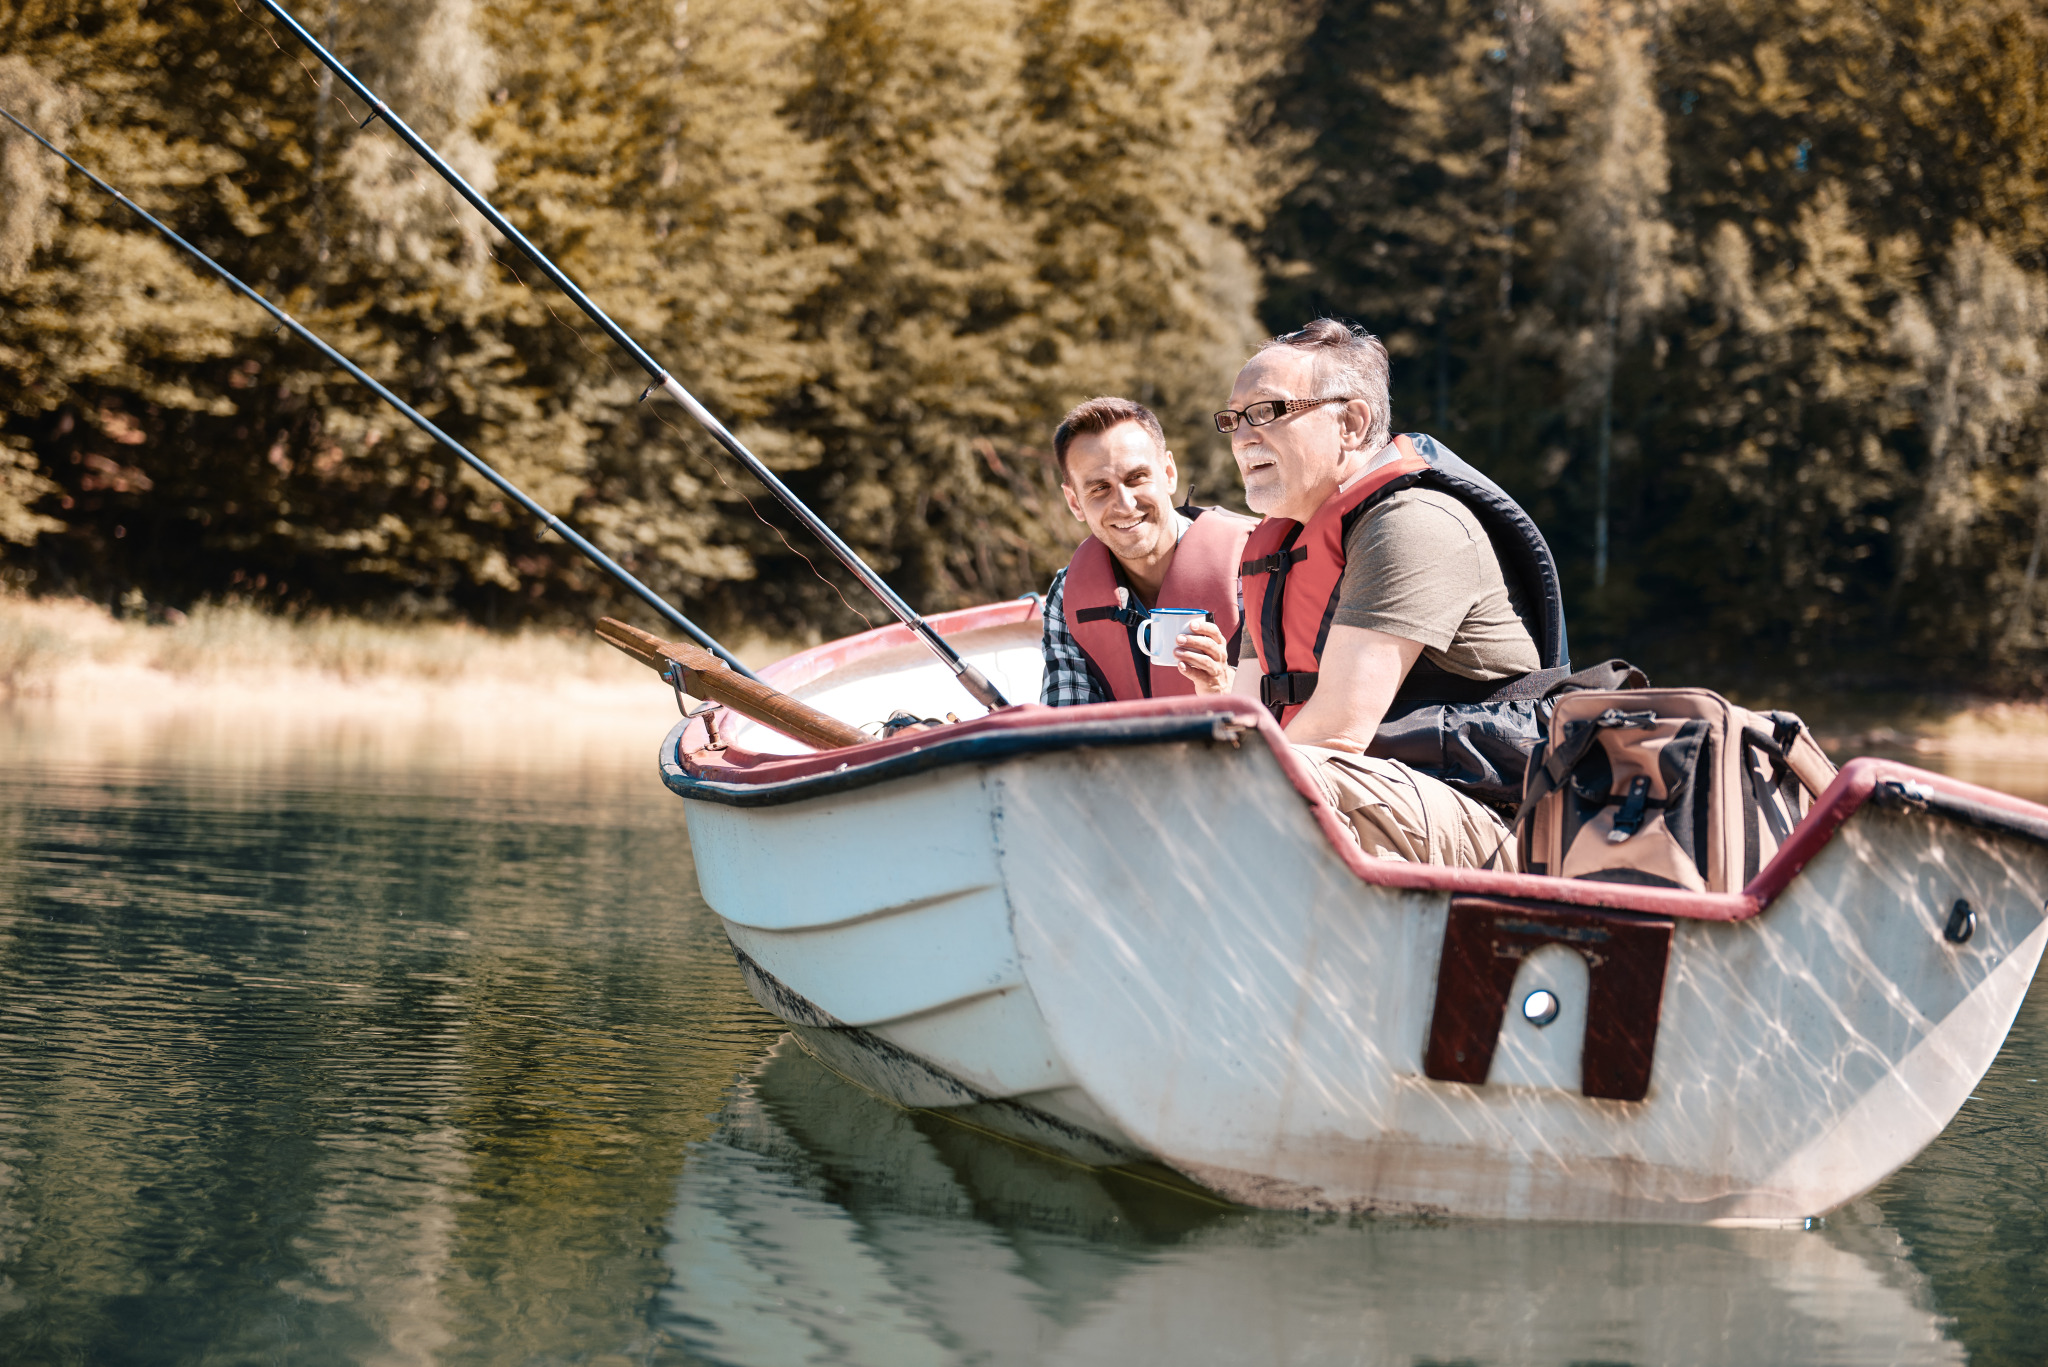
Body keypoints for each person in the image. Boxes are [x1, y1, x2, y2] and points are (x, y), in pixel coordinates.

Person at [1177, 320, 1571, 868]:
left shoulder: (1411, 523)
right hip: (1370, 795)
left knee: (1286, 783)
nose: (1243, 437)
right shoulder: (1279, 551)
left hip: (1494, 816)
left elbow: (1336, 736)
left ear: (1352, 422)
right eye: (1234, 419)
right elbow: (1246, 722)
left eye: (1266, 412)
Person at [1039, 397, 1257, 705]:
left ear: (1169, 473)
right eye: (1100, 488)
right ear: (1074, 502)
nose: (1125, 505)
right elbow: (1067, 730)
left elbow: (1308, 713)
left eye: (1136, 478)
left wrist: (1224, 686)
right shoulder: (1066, 595)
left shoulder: (1259, 561)